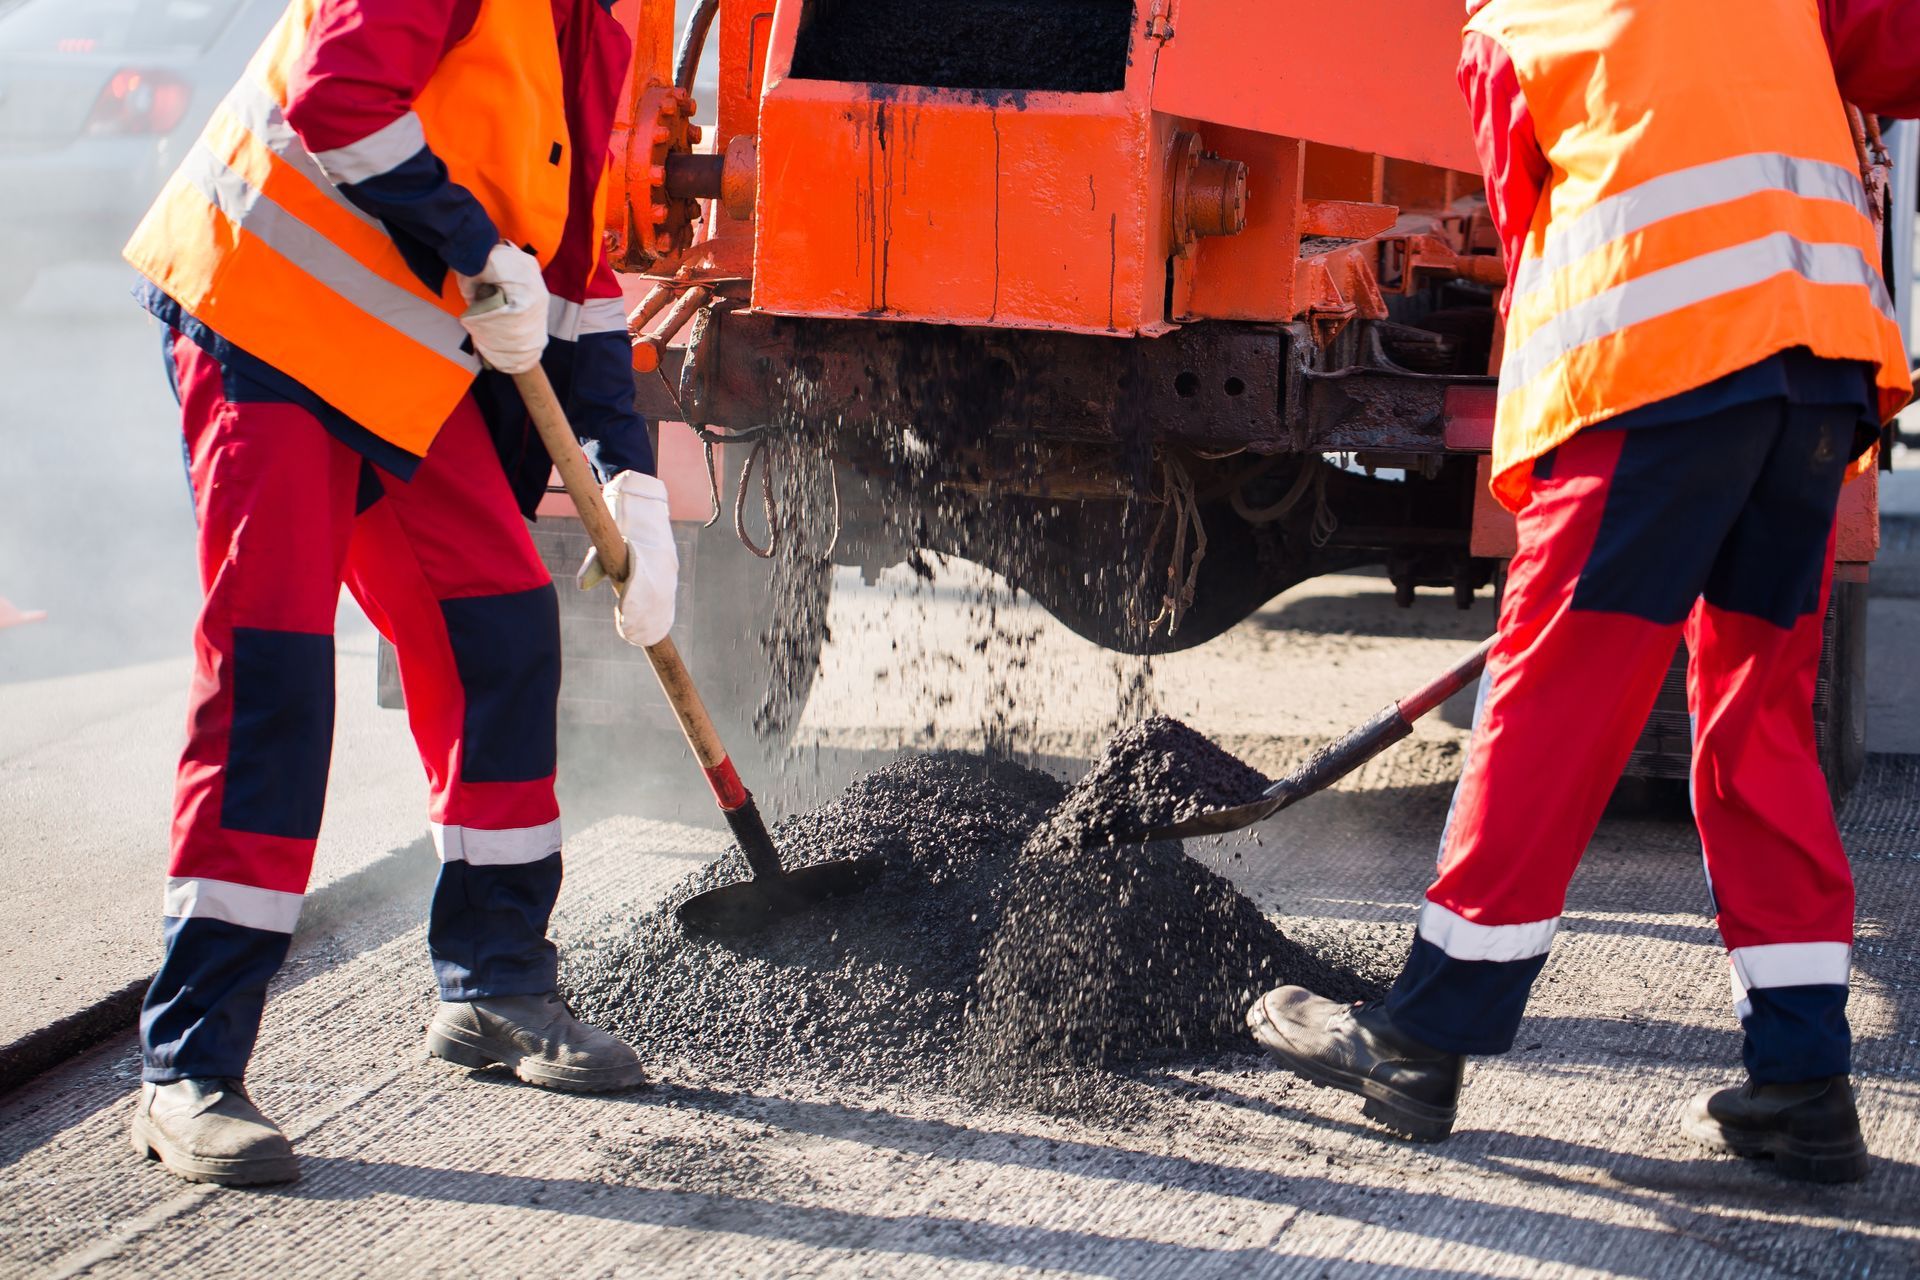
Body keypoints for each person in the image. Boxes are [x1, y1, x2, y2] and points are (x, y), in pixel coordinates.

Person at [1246, 0, 1918, 1183]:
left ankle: (1423, 1036)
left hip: (1652, 372)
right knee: (1757, 721)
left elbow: (1533, 231)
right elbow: (1894, 50)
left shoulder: (1511, 21)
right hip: (1818, 374)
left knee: (1551, 703)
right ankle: (1806, 1081)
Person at [120, 0, 679, 1187]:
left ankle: (496, 983)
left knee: (504, 629)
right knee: (273, 679)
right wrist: (474, 249)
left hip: (391, 367)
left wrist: (630, 473)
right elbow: (337, 96)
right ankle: (190, 1066)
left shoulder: (600, 19)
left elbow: (571, 273)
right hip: (263, 316)